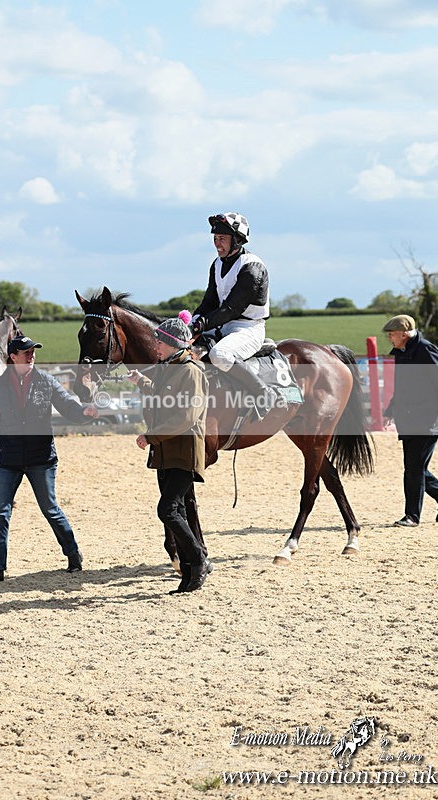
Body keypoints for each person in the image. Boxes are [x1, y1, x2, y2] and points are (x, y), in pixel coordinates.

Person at [0, 335, 99, 585]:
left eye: (33, 351)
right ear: (13, 357)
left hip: (41, 458)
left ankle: (73, 554)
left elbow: (68, 405)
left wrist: (84, 412)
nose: (31, 355)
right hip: (8, 458)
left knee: (50, 508)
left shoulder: (46, 380)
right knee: (1, 511)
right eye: (26, 352)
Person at [128, 316, 210, 594]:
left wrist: (151, 436)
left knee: (168, 510)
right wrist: (141, 382)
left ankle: (198, 559)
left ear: (174, 343)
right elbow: (164, 396)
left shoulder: (191, 372)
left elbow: (187, 417)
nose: (156, 346)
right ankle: (188, 572)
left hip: (184, 452)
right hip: (165, 452)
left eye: (160, 341)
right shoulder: (170, 368)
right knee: (178, 511)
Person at [190, 212, 275, 420]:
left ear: (237, 240)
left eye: (222, 239)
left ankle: (264, 394)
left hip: (248, 328)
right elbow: (209, 301)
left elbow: (231, 309)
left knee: (220, 355)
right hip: (223, 325)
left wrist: (200, 325)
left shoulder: (252, 267)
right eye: (216, 238)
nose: (218, 244)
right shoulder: (217, 264)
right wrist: (191, 322)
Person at [382, 314, 438, 527]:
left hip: (427, 420)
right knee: (415, 467)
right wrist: (390, 410)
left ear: (404, 333)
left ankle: (412, 516)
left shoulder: (425, 350)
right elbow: (403, 387)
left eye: (392, 334)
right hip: (409, 419)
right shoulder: (402, 352)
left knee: (413, 468)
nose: (390, 338)